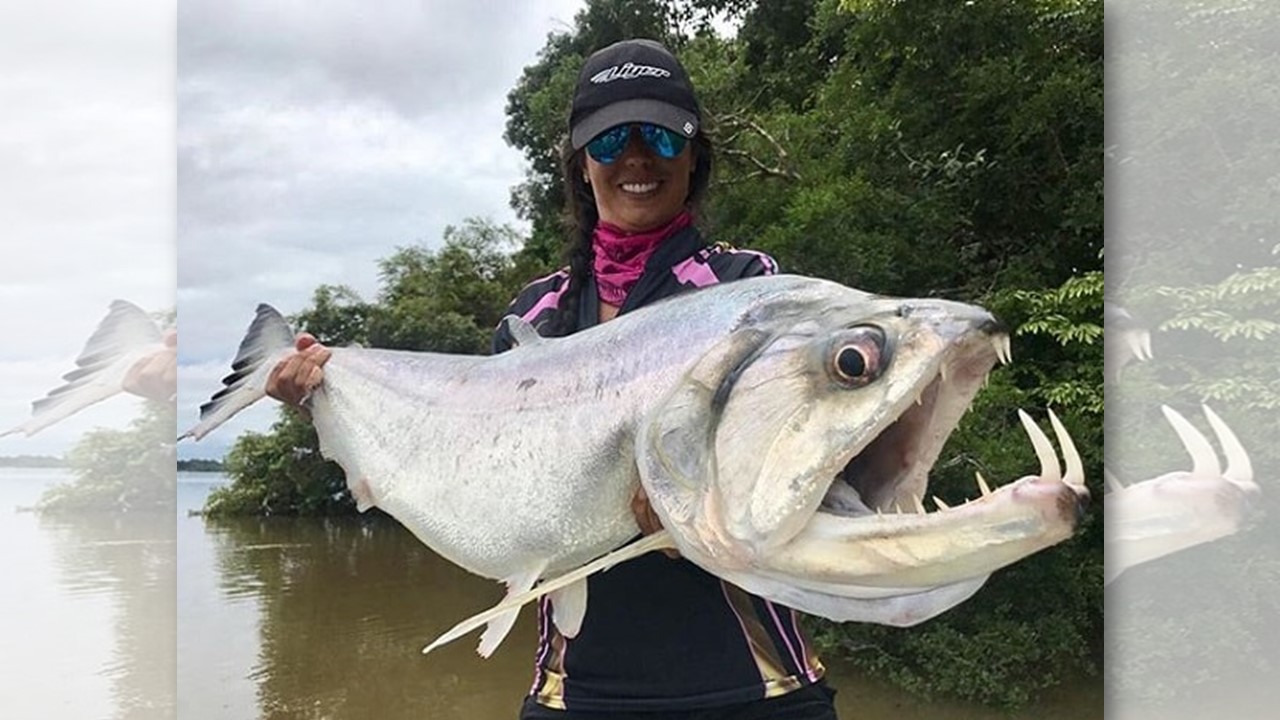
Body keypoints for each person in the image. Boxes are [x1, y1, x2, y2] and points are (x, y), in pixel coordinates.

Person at [267, 38, 837, 719]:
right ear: (579, 165)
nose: (635, 157)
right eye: (608, 141)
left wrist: (704, 491)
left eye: (658, 134)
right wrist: (327, 401)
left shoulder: (749, 289)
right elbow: (482, 476)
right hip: (575, 693)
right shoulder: (534, 315)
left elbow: (797, 454)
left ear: (693, 153)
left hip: (755, 687)